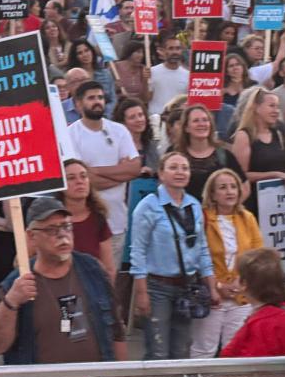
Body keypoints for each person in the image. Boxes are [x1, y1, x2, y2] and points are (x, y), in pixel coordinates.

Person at [0, 197, 126, 363]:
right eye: (51, 230)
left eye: (66, 226)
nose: (62, 235)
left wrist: (121, 375)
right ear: (32, 236)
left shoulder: (93, 270)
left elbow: (117, 331)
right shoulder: (17, 283)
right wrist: (11, 302)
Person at [130, 152, 218, 360]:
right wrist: (141, 293)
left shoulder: (194, 205)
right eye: (173, 167)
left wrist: (212, 287)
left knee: (182, 350)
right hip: (158, 286)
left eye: (185, 168)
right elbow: (138, 251)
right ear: (161, 173)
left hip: (187, 286)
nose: (180, 172)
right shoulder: (148, 206)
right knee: (158, 351)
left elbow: (202, 248)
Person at [189, 169, 262, 358]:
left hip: (241, 295)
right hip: (212, 295)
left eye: (233, 187)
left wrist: (241, 281)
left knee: (235, 350)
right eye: (222, 187)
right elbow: (195, 258)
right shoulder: (202, 218)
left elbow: (257, 254)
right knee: (204, 350)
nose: (230, 192)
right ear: (212, 194)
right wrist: (218, 286)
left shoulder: (248, 218)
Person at [68, 81, 141, 258]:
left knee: (111, 273)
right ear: (78, 104)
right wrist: (121, 172)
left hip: (117, 221)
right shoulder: (70, 134)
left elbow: (134, 169)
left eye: (100, 97)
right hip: (84, 224)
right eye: (91, 98)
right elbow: (83, 181)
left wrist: (94, 171)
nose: (97, 102)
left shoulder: (119, 131)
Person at [219, 247, 285, 357]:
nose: (236, 278)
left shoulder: (262, 323)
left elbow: (253, 361)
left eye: (239, 275)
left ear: (244, 284)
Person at [230, 87, 285, 215]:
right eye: (272, 106)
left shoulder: (277, 134)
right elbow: (240, 176)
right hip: (254, 204)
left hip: (277, 206)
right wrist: (274, 175)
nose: (276, 111)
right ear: (257, 108)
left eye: (277, 107)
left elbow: (280, 166)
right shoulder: (244, 136)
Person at [175, 105, 247, 201]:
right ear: (186, 127)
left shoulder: (225, 155)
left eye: (205, 120)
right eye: (196, 121)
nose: (201, 124)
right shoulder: (175, 154)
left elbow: (245, 187)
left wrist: (230, 207)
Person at [59, 160, 115, 280]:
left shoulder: (98, 218)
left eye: (83, 176)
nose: (79, 181)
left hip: (92, 284)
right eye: (71, 178)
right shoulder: (51, 220)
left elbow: (109, 268)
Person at [66, 40, 116, 116]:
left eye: (87, 50)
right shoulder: (73, 76)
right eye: (80, 53)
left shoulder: (105, 73)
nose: (85, 55)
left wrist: (104, 114)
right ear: (75, 57)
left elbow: (113, 99)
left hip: (106, 114)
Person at [113, 97, 159, 175]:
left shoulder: (152, 146)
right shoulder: (116, 148)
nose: (139, 120)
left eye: (141, 115)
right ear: (123, 123)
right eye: (132, 117)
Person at [148, 35, 189, 116]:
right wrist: (144, 80)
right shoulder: (152, 72)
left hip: (177, 119)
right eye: (171, 48)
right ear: (163, 51)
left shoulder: (187, 75)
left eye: (178, 48)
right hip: (156, 118)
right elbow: (146, 98)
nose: (175, 52)